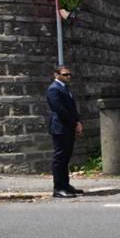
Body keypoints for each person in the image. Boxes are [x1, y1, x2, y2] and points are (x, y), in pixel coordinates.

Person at [46, 65, 84, 198]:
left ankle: (65, 185)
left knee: (66, 158)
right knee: (60, 158)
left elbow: (72, 108)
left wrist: (78, 121)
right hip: (60, 127)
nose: (68, 76)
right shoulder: (54, 89)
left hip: (68, 126)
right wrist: (74, 123)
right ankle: (58, 188)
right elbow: (59, 109)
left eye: (69, 74)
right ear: (56, 75)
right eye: (65, 74)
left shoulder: (65, 88)